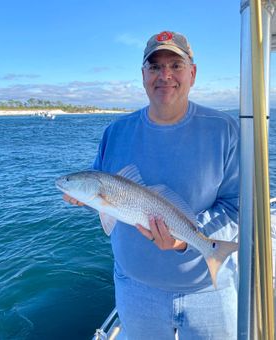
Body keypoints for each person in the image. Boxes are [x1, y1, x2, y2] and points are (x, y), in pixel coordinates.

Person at [65, 30, 239, 339]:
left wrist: (186, 240)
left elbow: (237, 207)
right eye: (155, 66)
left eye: (176, 65)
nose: (165, 75)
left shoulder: (225, 129)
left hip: (208, 291)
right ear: (143, 74)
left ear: (193, 73)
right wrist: (80, 196)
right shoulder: (115, 131)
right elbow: (101, 184)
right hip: (135, 289)